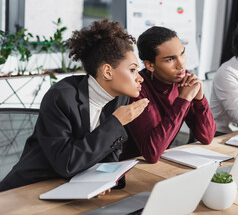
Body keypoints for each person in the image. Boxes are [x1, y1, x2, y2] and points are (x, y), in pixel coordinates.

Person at [0, 19, 149, 192]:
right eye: (132, 70)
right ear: (107, 72)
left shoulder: (119, 98)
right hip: (29, 189)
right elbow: (67, 163)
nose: (140, 77)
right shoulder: (61, 97)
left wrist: (104, 179)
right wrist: (115, 122)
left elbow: (110, 153)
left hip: (74, 188)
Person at [124, 26, 216, 163]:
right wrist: (183, 99)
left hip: (162, 163)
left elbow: (207, 137)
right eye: (170, 59)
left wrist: (199, 99)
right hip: (129, 168)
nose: (181, 65)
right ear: (150, 65)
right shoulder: (136, 89)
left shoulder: (183, 81)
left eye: (182, 54)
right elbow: (151, 153)